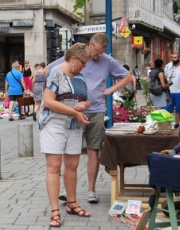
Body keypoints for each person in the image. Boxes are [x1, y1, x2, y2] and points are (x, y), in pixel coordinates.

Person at [46, 33, 132, 203]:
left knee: (93, 149)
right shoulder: (77, 55)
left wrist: (109, 90)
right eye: (98, 51)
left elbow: (127, 76)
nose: (99, 55)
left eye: (102, 52)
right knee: (70, 151)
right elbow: (50, 68)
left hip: (96, 110)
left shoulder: (107, 60)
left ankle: (91, 190)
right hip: (72, 111)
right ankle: (66, 189)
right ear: (91, 44)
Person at [39, 43, 91, 227]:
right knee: (54, 166)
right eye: (84, 62)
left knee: (73, 165)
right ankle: (54, 210)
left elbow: (86, 99)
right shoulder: (55, 72)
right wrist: (75, 112)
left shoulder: (80, 76)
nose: (85, 66)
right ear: (74, 59)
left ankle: (71, 202)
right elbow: (48, 101)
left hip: (73, 126)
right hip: (54, 124)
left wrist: (83, 106)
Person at [164, 53, 180, 128]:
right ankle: (167, 125)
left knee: (179, 110)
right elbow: (165, 77)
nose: (173, 59)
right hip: (170, 92)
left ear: (179, 58)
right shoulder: (168, 66)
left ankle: (177, 124)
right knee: (168, 109)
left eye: (175, 57)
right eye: (172, 57)